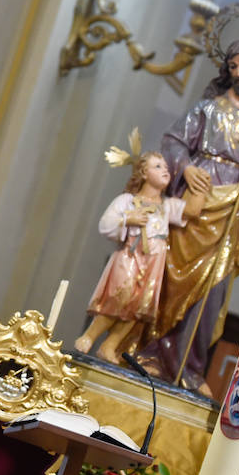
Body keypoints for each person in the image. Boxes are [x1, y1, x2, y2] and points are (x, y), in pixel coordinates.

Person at [144, 40, 239, 388]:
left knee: (211, 296)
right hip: (197, 203)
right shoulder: (208, 110)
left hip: (230, 216)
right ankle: (151, 355)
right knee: (171, 282)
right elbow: (173, 142)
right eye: (234, 66)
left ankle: (190, 369)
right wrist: (187, 166)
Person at [75, 151, 190, 364]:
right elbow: (105, 223)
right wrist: (128, 219)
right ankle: (89, 336)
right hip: (130, 255)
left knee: (139, 307)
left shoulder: (167, 205)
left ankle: (110, 345)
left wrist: (200, 181)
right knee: (120, 296)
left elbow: (192, 210)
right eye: (157, 166)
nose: (165, 170)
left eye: (166, 167)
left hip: (154, 262)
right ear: (144, 173)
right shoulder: (128, 200)